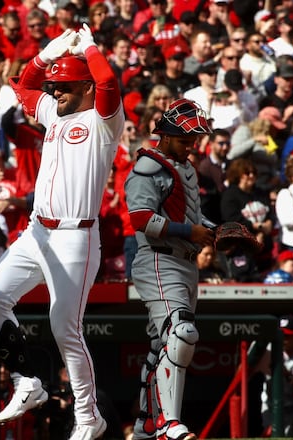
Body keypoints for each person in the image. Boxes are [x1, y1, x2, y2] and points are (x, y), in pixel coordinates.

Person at [0, 25, 122, 440]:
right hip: (37, 231)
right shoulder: (51, 113)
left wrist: (91, 48)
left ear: (85, 88)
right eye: (54, 86)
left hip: (77, 235)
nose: (55, 92)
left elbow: (108, 80)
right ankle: (27, 381)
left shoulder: (102, 121)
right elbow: (23, 86)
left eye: (64, 87)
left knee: (64, 326)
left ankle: (88, 415)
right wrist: (46, 54)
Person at [125, 98, 213, 440]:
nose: (191, 145)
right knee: (182, 334)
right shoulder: (149, 167)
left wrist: (215, 230)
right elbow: (140, 219)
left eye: (193, 140)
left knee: (161, 345)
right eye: (184, 140)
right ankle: (168, 425)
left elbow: (191, 217)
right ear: (164, 135)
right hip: (159, 258)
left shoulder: (185, 167)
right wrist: (190, 232)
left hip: (185, 263)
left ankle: (146, 424)